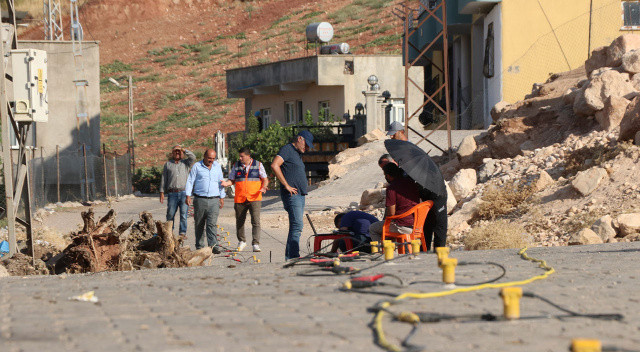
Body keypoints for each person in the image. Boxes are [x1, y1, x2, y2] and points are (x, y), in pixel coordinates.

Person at [271, 130, 314, 260]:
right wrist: (286, 185)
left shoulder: (297, 154)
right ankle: (293, 256)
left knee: (296, 226)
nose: (306, 148)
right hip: (292, 195)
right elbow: (274, 165)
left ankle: (290, 256)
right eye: (306, 145)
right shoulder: (287, 149)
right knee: (297, 225)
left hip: (300, 195)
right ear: (300, 139)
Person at [222, 147, 268, 252]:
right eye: (240, 156)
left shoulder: (258, 165)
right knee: (239, 221)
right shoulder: (236, 165)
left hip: (254, 197)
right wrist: (226, 183)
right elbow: (231, 180)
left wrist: (264, 187)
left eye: (242, 156)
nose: (240, 158)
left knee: (255, 221)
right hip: (240, 198)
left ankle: (256, 243)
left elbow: (265, 179)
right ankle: (242, 241)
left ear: (248, 156)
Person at [185, 149, 226, 253]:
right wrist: (188, 195)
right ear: (204, 156)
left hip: (214, 200)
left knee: (211, 224)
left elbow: (221, 182)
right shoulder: (197, 166)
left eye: (213, 158)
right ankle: (200, 246)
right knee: (199, 223)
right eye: (209, 158)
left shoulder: (217, 167)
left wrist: (222, 197)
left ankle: (213, 246)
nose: (211, 160)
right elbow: (190, 181)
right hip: (200, 199)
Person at [369, 163, 420, 242]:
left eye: (385, 175)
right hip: (417, 224)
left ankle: (383, 252)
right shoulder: (412, 183)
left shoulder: (392, 189)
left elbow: (391, 213)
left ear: (388, 175)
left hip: (402, 226)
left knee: (373, 228)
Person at [159, 145, 196, 237]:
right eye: (175, 151)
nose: (177, 153)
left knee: (183, 215)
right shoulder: (168, 164)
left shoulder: (186, 163)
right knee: (170, 214)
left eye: (179, 151)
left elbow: (193, 157)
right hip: (172, 193)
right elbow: (164, 178)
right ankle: (169, 232)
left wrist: (183, 149)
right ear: (172, 153)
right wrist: (162, 192)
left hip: (184, 193)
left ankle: (182, 233)